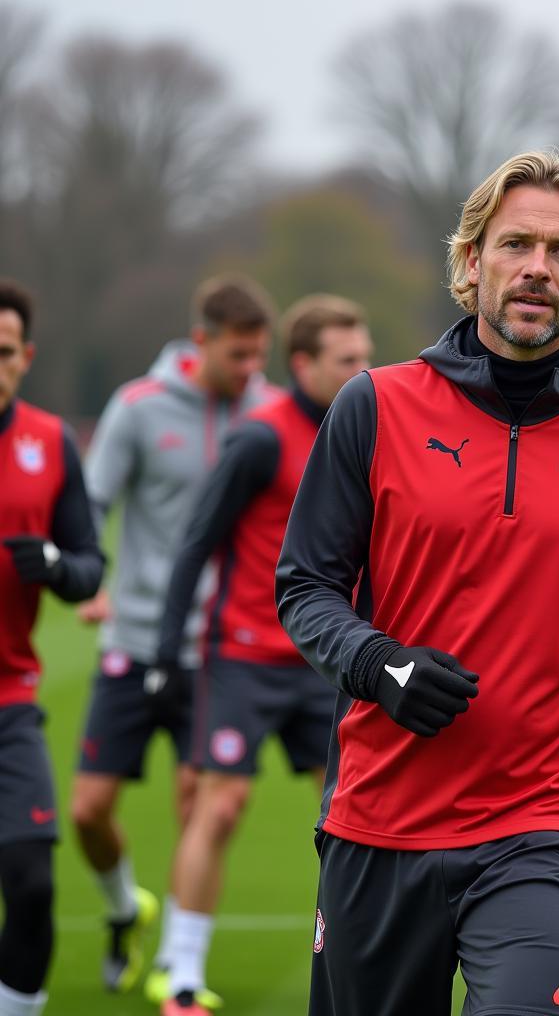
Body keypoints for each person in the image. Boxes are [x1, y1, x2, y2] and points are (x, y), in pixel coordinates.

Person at [276, 149, 559, 1016]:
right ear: (473, 264)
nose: (537, 268)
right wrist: (376, 663)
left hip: (542, 831)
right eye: (515, 245)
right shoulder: (374, 406)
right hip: (378, 820)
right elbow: (305, 586)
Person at [153, 295, 374, 1016]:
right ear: (303, 364)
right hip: (243, 655)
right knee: (221, 807)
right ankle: (181, 975)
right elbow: (197, 541)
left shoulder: (374, 430)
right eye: (347, 362)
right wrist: (166, 647)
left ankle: (355, 962)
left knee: (354, 813)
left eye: (366, 356)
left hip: (330, 661)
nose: (363, 371)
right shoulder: (260, 438)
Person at [69, 275, 275, 999]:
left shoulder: (268, 416)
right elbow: (91, 502)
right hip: (133, 639)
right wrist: (90, 581)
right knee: (88, 811)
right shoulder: (138, 407)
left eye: (259, 357)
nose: (251, 370)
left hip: (218, 650)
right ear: (202, 342)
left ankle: (176, 967)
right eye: (239, 355)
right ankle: (128, 906)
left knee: (204, 806)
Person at [0, 279, 105, 1016]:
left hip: (10, 702)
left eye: (2, 352)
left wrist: (60, 568)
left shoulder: (49, 441)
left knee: (34, 887)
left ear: (25, 357)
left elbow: (89, 566)